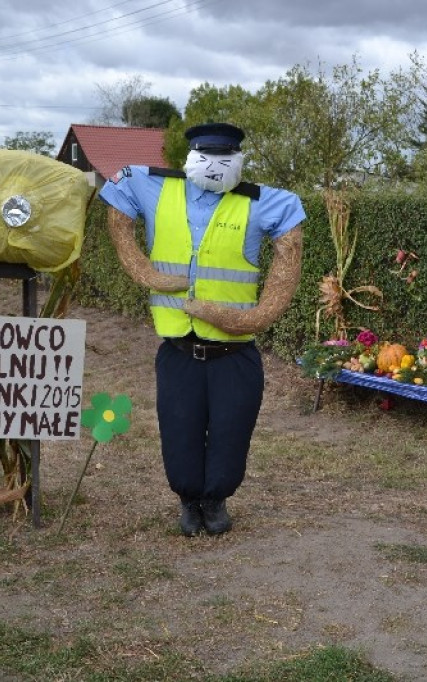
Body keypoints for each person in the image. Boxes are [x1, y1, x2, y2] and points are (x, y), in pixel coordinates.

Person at [98, 122, 305, 536]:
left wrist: (252, 316)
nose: (215, 164)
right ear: (191, 155)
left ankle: (217, 500)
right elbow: (117, 200)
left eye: (225, 156)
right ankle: (188, 501)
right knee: (179, 426)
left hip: (234, 351)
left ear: (238, 159)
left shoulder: (260, 202)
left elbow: (289, 247)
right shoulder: (157, 187)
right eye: (207, 154)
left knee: (231, 428)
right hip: (178, 349)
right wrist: (146, 273)